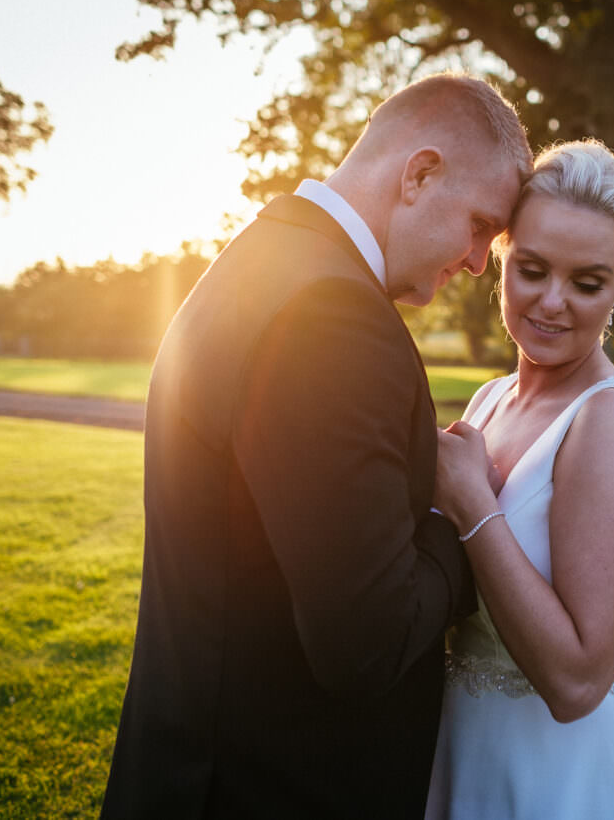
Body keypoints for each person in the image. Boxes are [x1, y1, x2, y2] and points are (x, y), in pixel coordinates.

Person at [100, 73, 532, 819]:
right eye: (478, 225)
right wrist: (466, 518)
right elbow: (366, 644)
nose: (477, 263)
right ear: (419, 173)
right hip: (268, 788)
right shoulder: (331, 315)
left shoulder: (265, 256)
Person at [426, 141, 614, 818]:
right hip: (465, 749)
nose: (551, 303)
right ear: (503, 255)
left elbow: (576, 683)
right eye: (532, 270)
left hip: (561, 776)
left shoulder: (612, 423)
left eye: (587, 282)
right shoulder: (488, 400)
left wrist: (472, 504)